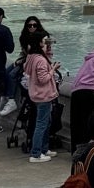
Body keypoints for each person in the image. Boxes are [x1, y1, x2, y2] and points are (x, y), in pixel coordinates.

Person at [24, 32, 59, 162]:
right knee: (41, 124)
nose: (46, 43)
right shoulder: (40, 60)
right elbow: (43, 79)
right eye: (45, 41)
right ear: (39, 43)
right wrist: (53, 69)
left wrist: (48, 49)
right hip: (44, 95)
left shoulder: (32, 56)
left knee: (45, 122)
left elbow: (45, 58)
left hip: (36, 94)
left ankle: (44, 149)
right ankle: (36, 153)